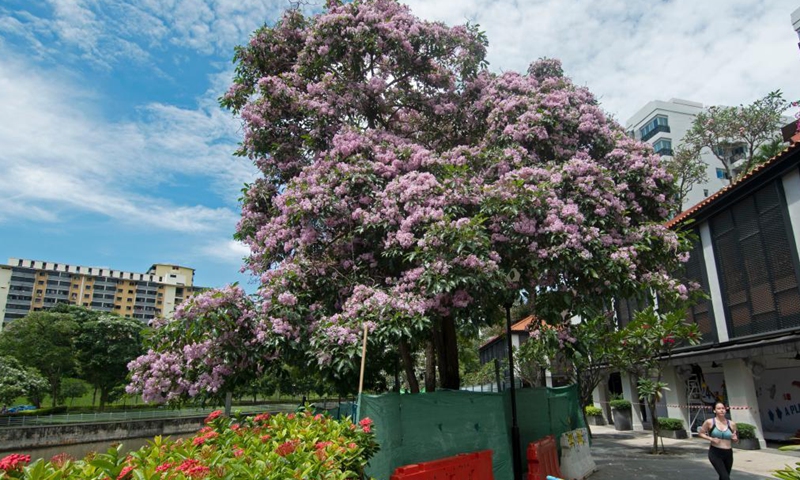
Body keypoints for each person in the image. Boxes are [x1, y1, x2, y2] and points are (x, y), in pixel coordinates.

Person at [697, 402, 738, 480]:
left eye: (723, 408)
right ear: (714, 411)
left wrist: (735, 439)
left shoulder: (732, 424)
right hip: (715, 453)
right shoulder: (709, 422)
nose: (721, 410)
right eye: (719, 408)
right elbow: (701, 433)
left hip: (728, 453)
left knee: (724, 476)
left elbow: (736, 439)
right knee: (725, 477)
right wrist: (711, 439)